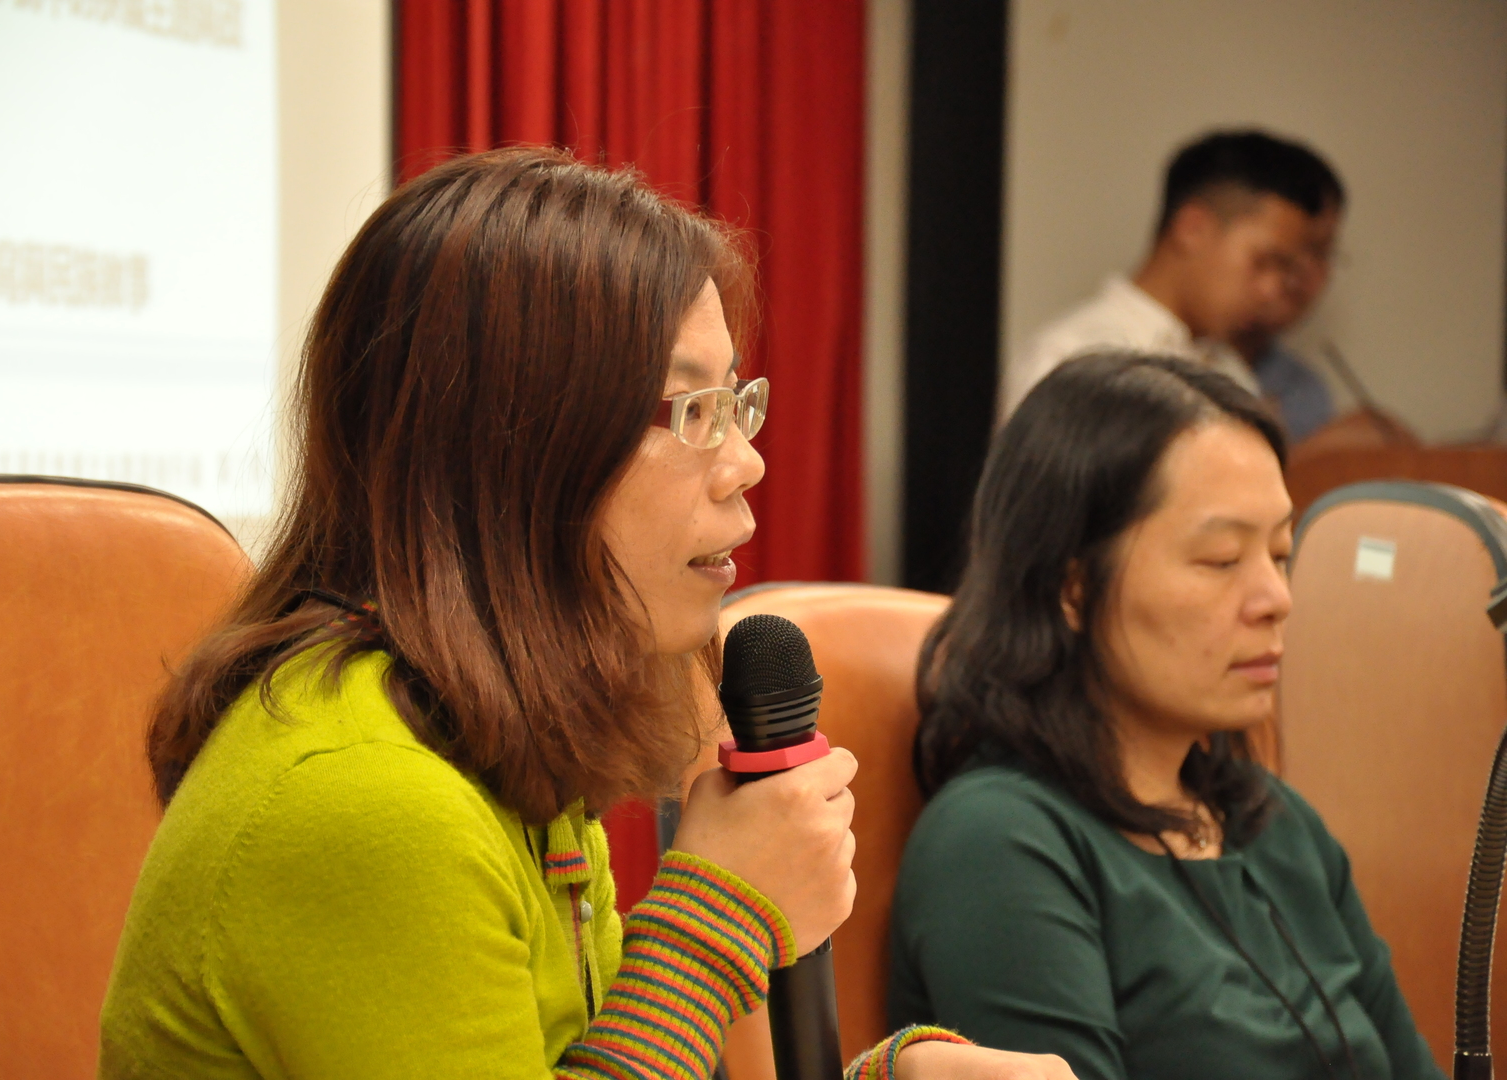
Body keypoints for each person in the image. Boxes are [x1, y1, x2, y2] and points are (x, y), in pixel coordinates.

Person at [98, 148, 1075, 1080]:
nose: (745, 462)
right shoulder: (364, 797)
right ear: (507, 455)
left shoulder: (500, 743)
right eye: (690, 411)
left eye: (736, 404)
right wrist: (714, 924)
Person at [890, 353, 1444, 1080]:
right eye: (1221, 559)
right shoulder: (998, 841)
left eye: (1280, 553)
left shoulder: (1278, 825)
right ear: (1072, 588)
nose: (1276, 599)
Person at [1000, 131, 1344, 442]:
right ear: (1192, 228)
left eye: (1286, 270)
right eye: (1264, 262)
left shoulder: (1228, 367)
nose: (1272, 290)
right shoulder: (1072, 358)